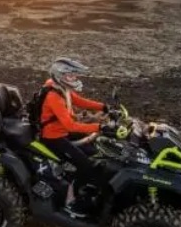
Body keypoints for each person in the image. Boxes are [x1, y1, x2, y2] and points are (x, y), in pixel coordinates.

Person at [38, 56, 120, 217]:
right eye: (71, 75)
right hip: (54, 138)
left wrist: (104, 107)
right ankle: (71, 202)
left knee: (93, 148)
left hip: (62, 131)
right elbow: (71, 125)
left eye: (75, 75)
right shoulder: (53, 96)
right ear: (59, 75)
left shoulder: (61, 89)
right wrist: (100, 126)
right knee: (85, 164)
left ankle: (88, 184)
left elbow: (79, 101)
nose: (74, 78)